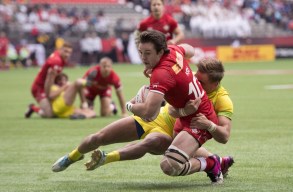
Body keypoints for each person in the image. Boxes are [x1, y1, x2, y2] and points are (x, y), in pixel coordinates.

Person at [51, 56, 233, 182]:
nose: (195, 82)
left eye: (201, 82)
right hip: (154, 118)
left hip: (173, 136)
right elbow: (170, 106)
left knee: (154, 149)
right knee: (98, 137)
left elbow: (224, 136)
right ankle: (72, 156)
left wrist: (208, 124)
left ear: (215, 84)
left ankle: (106, 158)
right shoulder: (190, 78)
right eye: (196, 77)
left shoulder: (222, 99)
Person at [125, 30, 223, 184]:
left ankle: (211, 163)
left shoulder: (161, 74)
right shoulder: (174, 50)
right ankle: (213, 160)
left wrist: (129, 105)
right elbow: (190, 49)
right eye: (141, 52)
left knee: (170, 165)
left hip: (198, 120)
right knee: (179, 152)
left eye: (148, 53)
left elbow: (149, 113)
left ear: (160, 52)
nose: (143, 58)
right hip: (182, 117)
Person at [26, 42, 73, 118]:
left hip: (48, 86)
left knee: (55, 111)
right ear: (60, 50)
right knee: (50, 114)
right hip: (40, 88)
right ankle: (33, 108)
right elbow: (49, 79)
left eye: (69, 52)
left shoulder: (59, 57)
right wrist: (49, 96)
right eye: (65, 51)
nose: (67, 54)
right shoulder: (56, 61)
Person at [26, 70, 96, 119]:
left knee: (92, 113)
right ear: (56, 81)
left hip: (67, 110)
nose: (62, 82)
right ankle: (87, 82)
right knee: (77, 82)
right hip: (60, 106)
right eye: (60, 80)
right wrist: (65, 86)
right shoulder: (54, 87)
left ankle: (83, 116)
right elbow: (51, 96)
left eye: (64, 80)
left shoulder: (66, 88)